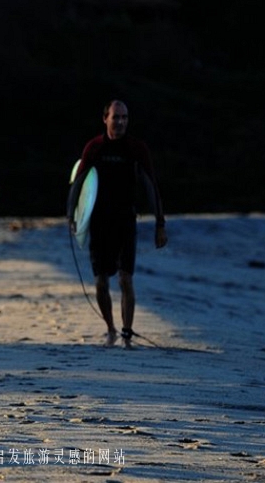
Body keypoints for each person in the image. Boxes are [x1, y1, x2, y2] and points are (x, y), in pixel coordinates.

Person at [70, 100, 168, 349]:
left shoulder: (136, 149)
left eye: (125, 117)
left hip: (126, 220)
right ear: (105, 119)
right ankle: (110, 328)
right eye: (116, 117)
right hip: (99, 222)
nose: (121, 122)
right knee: (101, 282)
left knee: (126, 278)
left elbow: (150, 185)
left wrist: (160, 223)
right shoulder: (94, 147)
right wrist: (72, 216)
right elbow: (79, 183)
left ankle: (126, 333)